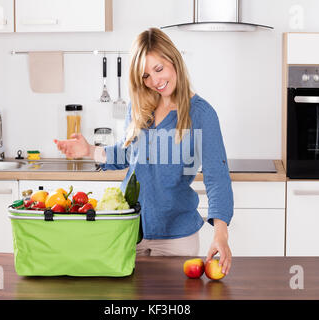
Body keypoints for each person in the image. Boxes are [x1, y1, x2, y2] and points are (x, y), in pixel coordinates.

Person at [54, 28, 234, 275]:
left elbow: (217, 177)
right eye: (146, 76)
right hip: (129, 230)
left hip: (176, 238)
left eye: (159, 70)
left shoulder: (201, 114)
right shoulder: (140, 107)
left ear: (174, 60)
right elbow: (129, 155)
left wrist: (220, 235)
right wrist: (89, 150)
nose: (154, 81)